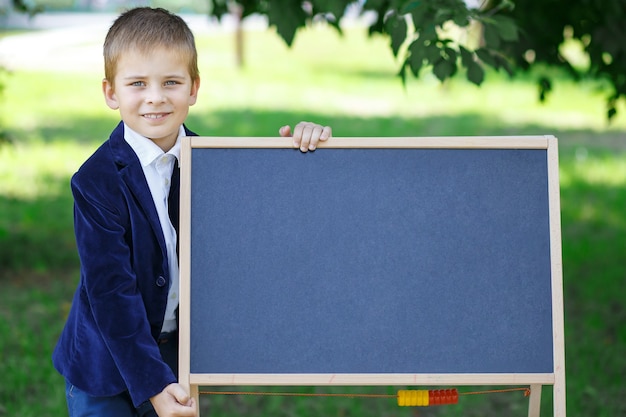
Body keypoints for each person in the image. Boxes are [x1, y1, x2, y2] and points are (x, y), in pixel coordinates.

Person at [52, 7, 332, 417]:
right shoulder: (95, 183)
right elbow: (111, 295)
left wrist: (299, 156)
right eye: (137, 83)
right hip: (106, 366)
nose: (155, 97)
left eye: (171, 82)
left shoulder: (214, 163)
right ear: (111, 92)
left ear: (193, 87)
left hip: (176, 353)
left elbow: (274, 218)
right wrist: (154, 384)